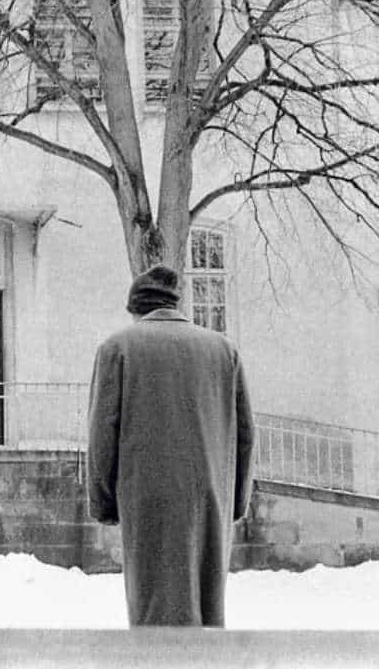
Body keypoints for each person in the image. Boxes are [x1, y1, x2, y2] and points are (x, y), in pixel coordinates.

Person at [86, 265, 254, 627]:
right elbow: (245, 436)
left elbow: (102, 435)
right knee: (207, 611)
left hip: (147, 498)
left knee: (154, 612)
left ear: (136, 309)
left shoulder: (117, 349)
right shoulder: (224, 350)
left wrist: (103, 503)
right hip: (210, 497)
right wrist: (235, 502)